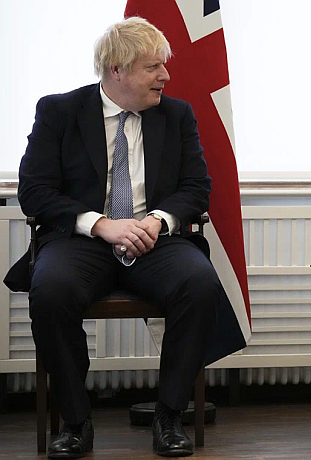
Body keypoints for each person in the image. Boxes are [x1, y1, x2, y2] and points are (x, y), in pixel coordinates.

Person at [3, 17, 246, 458]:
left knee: (200, 284)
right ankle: (76, 422)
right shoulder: (59, 112)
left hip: (156, 240)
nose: (165, 76)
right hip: (81, 241)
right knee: (51, 291)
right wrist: (100, 224)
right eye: (153, 67)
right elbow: (34, 192)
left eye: (163, 66)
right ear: (117, 70)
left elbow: (196, 188)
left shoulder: (176, 115)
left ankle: (169, 416)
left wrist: (156, 221)